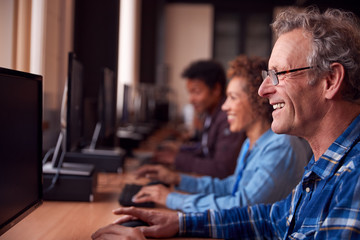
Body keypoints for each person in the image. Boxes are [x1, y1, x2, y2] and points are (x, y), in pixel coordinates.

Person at [92, 7, 360, 239]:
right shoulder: (324, 167)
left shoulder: (354, 178)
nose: (263, 89)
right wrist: (179, 221)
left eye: (279, 74)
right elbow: (271, 219)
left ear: (330, 81)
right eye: (269, 74)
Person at [130, 55, 311, 213]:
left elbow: (242, 205)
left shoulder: (280, 147)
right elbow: (231, 186)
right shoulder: (250, 143)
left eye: (232, 98)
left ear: (258, 100)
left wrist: (171, 199)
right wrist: (176, 179)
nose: (224, 107)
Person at [153, 59, 245, 179]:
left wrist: (177, 159)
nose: (191, 99)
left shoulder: (227, 118)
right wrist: (180, 150)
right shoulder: (210, 114)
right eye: (190, 93)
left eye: (196, 92)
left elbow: (222, 169)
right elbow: (206, 149)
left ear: (216, 89)